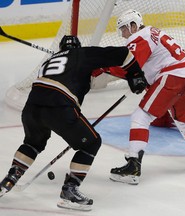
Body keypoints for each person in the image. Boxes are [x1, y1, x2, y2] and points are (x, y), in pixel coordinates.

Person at [0, 35, 147, 211]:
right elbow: (123, 53)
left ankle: (9, 179)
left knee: (32, 143)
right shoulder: (82, 54)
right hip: (59, 106)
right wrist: (135, 74)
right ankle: (70, 190)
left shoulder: (48, 62)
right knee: (91, 143)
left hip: (31, 108)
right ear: (78, 47)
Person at [109, 9, 185, 185]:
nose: (122, 34)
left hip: (174, 76)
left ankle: (133, 166)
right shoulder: (153, 31)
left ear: (133, 25)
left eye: (123, 29)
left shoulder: (139, 37)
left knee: (141, 116)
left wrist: (102, 67)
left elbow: (128, 67)